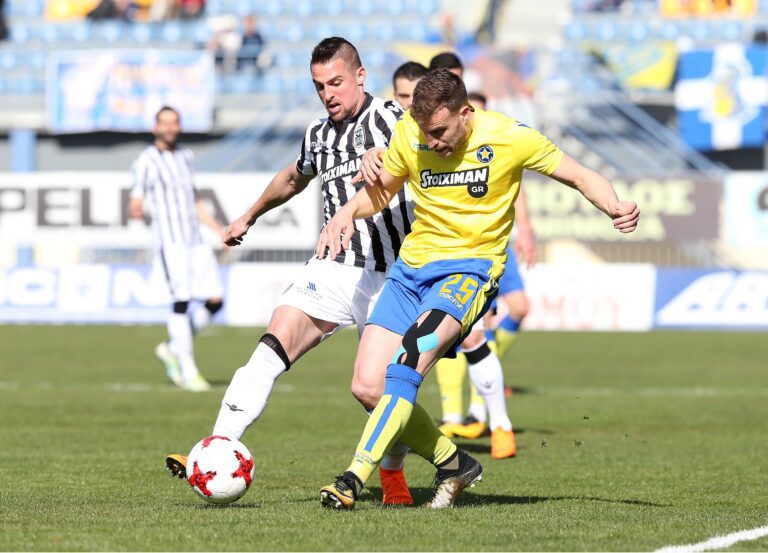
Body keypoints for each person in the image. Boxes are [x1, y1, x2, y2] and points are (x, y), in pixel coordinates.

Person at [316, 69, 639, 510]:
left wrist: (614, 205)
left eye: (440, 131)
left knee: (408, 361)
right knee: (367, 386)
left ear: (466, 113)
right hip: (410, 271)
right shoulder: (411, 131)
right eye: (425, 133)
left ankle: (354, 476)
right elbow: (382, 192)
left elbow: (580, 176)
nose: (432, 142)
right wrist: (346, 213)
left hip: (468, 273)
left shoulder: (510, 136)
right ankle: (455, 464)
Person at [164, 37, 422, 507]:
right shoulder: (318, 134)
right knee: (270, 347)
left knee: (376, 392)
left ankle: (398, 474)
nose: (328, 94)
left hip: (391, 275)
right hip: (332, 268)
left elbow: (427, 149)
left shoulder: (392, 117)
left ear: (360, 76)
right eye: (319, 86)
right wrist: (248, 216)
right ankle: (218, 446)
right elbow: (291, 178)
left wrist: (388, 154)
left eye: (336, 83)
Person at [439, 91, 537, 444]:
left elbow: (515, 184)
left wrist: (524, 227)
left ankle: (483, 399)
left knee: (515, 310)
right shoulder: (443, 145)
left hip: (499, 241)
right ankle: (464, 413)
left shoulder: (495, 140)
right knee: (469, 327)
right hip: (464, 247)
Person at [128, 106, 227, 392]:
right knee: (181, 301)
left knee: (216, 300)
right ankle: (189, 370)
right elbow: (136, 199)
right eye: (165, 123)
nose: (170, 128)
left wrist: (218, 230)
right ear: (155, 127)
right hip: (171, 243)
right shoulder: (146, 161)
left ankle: (172, 348)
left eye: (174, 123)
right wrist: (137, 210)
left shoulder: (185, 156)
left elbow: (194, 202)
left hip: (195, 240)